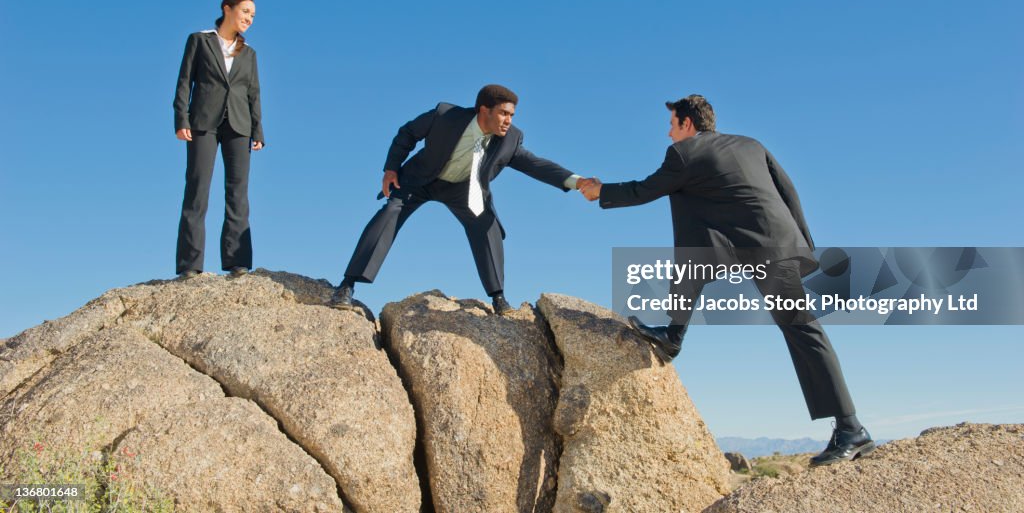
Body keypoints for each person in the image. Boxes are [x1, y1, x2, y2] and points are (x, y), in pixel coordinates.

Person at [579, 94, 873, 467]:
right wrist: (804, 246)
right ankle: (674, 334)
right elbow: (788, 191)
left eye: (671, 125)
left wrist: (600, 191)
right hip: (774, 239)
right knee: (698, 240)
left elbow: (645, 189)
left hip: (762, 248)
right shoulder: (751, 144)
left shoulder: (685, 154)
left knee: (803, 332)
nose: (669, 134)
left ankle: (850, 429)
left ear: (688, 124)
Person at [332, 84, 587, 315]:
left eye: (512, 115)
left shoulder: (510, 139)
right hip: (421, 180)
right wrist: (391, 169)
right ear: (483, 110)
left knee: (486, 225)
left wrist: (577, 182)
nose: (508, 120)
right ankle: (347, 285)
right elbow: (407, 133)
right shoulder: (445, 116)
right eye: (503, 113)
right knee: (388, 214)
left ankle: (498, 297)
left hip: (463, 189)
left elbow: (536, 165)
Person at [173, 0, 265, 279]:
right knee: (197, 189)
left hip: (239, 125)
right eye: (245, 12)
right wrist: (181, 118)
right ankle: (190, 265)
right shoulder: (199, 40)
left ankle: (238, 262)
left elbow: (253, 94)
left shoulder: (249, 53)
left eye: (253, 15)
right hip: (203, 122)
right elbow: (184, 82)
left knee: (238, 193)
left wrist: (258, 130)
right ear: (227, 9)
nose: (249, 19)